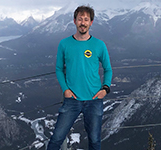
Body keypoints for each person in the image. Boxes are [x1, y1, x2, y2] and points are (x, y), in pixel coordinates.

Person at [48, 5, 110, 150]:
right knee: (57, 138)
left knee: (95, 140)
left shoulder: (99, 45)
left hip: (94, 100)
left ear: (91, 22)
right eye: (80, 19)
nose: (83, 22)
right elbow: (58, 69)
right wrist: (65, 90)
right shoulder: (64, 44)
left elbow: (108, 69)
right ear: (74, 21)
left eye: (86, 20)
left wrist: (105, 89)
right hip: (72, 100)